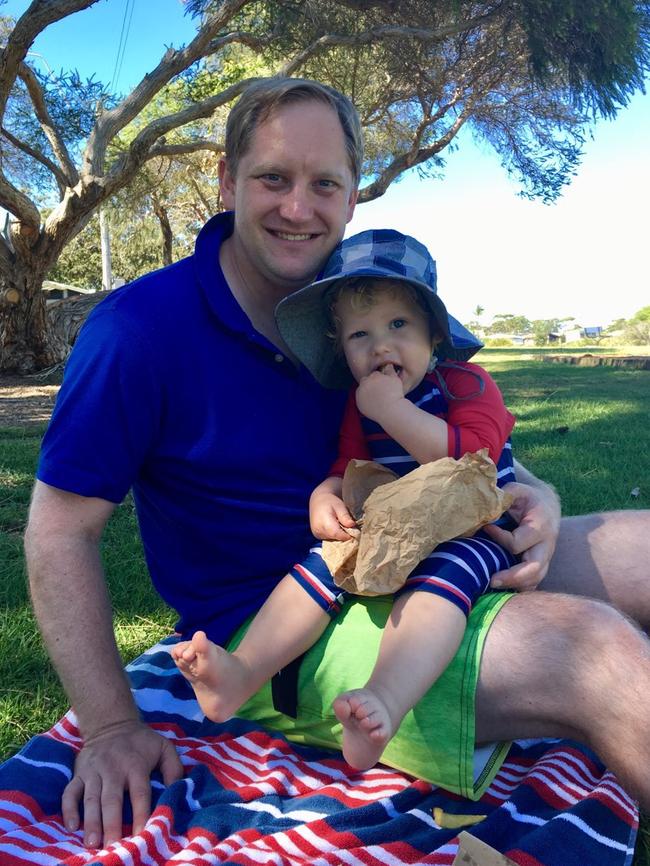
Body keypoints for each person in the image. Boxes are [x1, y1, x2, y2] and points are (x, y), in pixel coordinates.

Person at [23, 76, 650, 850]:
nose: (298, 208)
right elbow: (58, 532)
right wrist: (113, 724)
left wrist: (540, 494)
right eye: (272, 179)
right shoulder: (138, 333)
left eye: (324, 183)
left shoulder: (357, 304)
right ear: (225, 182)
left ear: (354, 197)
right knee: (602, 657)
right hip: (284, 620)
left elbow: (467, 427)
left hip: (429, 537)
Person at [172, 229, 518, 772]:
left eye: (398, 325)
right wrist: (325, 494)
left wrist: (391, 410)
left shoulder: (467, 386)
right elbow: (349, 467)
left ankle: (384, 698)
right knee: (320, 563)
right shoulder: (362, 405)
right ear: (342, 348)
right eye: (361, 334)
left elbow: (469, 458)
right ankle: (241, 673)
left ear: (434, 333)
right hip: (393, 526)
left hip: (470, 529)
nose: (381, 345)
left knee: (441, 586)